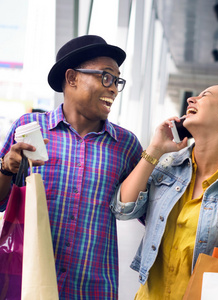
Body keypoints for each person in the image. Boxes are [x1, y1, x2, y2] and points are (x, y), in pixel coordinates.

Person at [0, 35, 143, 299]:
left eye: (117, 81)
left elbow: (151, 213)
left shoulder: (126, 145)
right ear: (72, 78)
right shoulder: (29, 128)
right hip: (28, 283)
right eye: (106, 77)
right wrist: (6, 168)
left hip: (92, 288)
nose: (113, 89)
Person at [110, 84, 218, 299]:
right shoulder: (168, 165)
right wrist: (155, 149)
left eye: (204, 95)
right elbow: (123, 209)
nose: (191, 100)